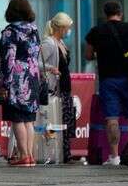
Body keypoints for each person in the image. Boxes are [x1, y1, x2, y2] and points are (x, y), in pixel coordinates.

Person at [85, 0, 128, 166]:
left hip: (109, 81)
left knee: (112, 118)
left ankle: (114, 157)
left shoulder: (97, 31)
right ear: (121, 12)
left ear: (105, 14)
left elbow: (88, 55)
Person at [0, 0, 41, 167]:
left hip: (17, 78)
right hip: (32, 76)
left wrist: (5, 84)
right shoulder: (34, 30)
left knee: (17, 118)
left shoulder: (10, 32)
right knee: (29, 119)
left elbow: (9, 59)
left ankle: (23, 155)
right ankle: (29, 155)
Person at [40, 12, 76, 163]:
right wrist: (50, 68)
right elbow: (37, 62)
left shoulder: (61, 43)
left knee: (66, 120)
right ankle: (57, 152)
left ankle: (65, 152)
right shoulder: (49, 43)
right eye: (67, 28)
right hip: (56, 89)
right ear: (61, 28)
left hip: (65, 88)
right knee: (57, 120)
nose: (69, 31)